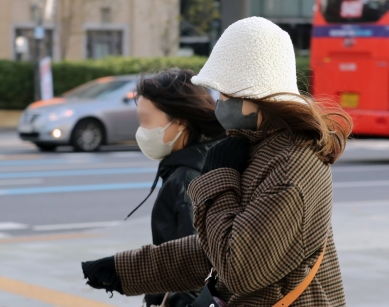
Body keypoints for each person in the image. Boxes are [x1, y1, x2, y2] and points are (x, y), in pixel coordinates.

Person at [81, 17, 353, 307]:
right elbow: (213, 247)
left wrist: (219, 180)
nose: (219, 102)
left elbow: (238, 269)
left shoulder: (290, 168)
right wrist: (125, 270)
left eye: (225, 93)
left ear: (253, 95)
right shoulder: (262, 149)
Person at [82, 68, 224, 307]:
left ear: (180, 122)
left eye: (146, 121)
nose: (142, 131)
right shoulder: (207, 161)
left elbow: (193, 265)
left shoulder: (186, 179)